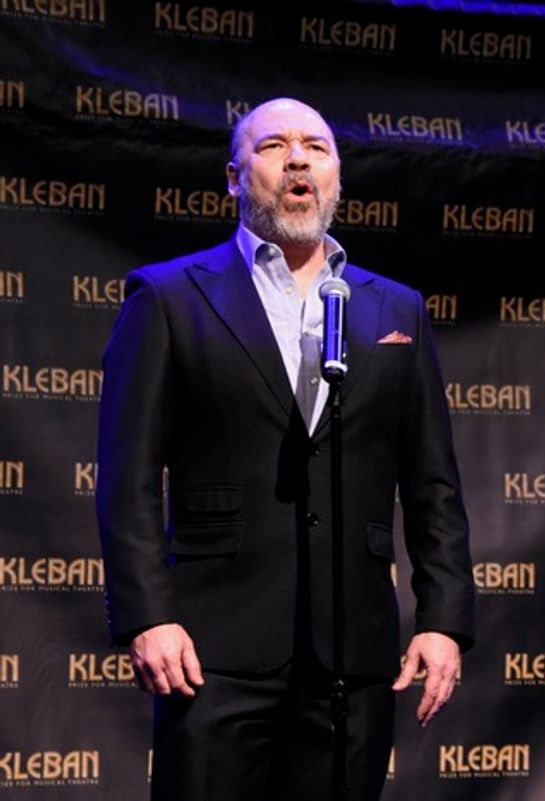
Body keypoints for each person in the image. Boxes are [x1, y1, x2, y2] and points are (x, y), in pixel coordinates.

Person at [96, 97, 475, 801]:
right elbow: (129, 474)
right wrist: (148, 614)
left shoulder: (397, 310)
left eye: (317, 147)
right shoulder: (170, 295)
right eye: (273, 146)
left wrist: (444, 619)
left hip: (352, 650)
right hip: (213, 649)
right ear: (235, 178)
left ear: (337, 179)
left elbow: (432, 482)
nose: (298, 158)